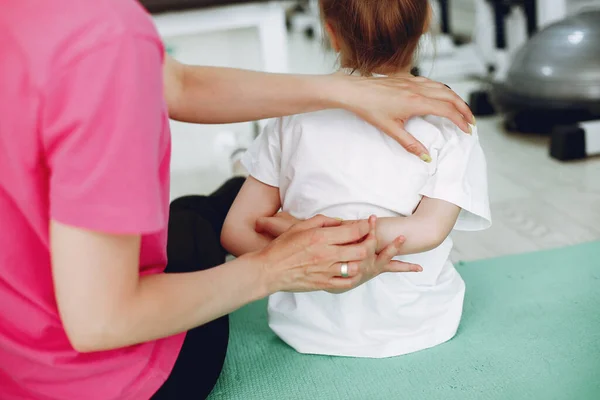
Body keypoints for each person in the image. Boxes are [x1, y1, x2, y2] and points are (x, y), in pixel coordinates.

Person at [0, 0, 475, 399]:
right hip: (94, 377)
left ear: (330, 31)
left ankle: (249, 184)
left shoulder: (48, 26)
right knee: (188, 216)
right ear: (427, 20)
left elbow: (179, 87)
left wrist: (335, 96)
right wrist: (276, 268)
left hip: (17, 350)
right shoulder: (101, 44)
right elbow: (99, 323)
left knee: (215, 205)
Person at [221, 0, 492, 359]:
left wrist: (308, 238)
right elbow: (428, 231)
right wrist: (351, 239)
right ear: (427, 21)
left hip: (304, 327)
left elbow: (236, 231)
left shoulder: (293, 117)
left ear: (331, 33)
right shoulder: (449, 120)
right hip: (419, 323)